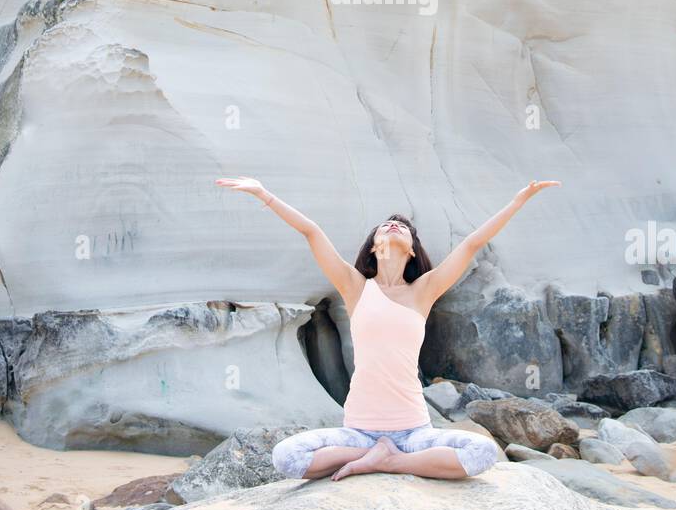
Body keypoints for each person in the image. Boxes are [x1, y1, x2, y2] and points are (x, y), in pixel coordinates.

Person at [215, 177, 561, 481]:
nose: (394, 226)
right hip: (360, 432)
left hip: (414, 431)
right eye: (385, 226)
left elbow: (471, 244)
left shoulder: (423, 291)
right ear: (372, 246)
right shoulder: (355, 287)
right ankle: (375, 456)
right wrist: (264, 194)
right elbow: (312, 232)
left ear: (412, 249)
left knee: (482, 453)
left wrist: (517, 202)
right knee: (286, 457)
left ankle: (391, 462)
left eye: (403, 228)